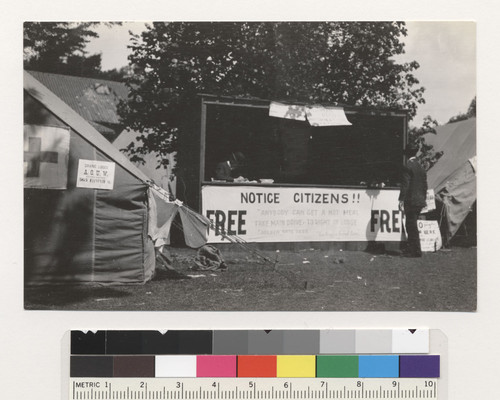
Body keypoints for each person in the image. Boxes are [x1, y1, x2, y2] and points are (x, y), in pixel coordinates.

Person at [398, 143, 428, 257]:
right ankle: (414, 249)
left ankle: (414, 250)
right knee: (413, 224)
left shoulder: (408, 166)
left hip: (411, 200)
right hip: (420, 200)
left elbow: (405, 185)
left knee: (411, 225)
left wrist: (401, 199)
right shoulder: (421, 166)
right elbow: (425, 185)